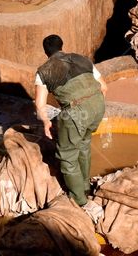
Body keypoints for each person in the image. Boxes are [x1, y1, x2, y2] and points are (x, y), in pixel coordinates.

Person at [33, 34, 107, 208]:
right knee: (84, 144)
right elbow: (104, 87)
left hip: (75, 111)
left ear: (46, 52)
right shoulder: (82, 59)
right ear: (62, 46)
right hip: (97, 105)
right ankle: (85, 186)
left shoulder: (44, 71)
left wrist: (45, 122)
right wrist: (92, 106)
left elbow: (40, 103)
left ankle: (80, 201)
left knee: (67, 156)